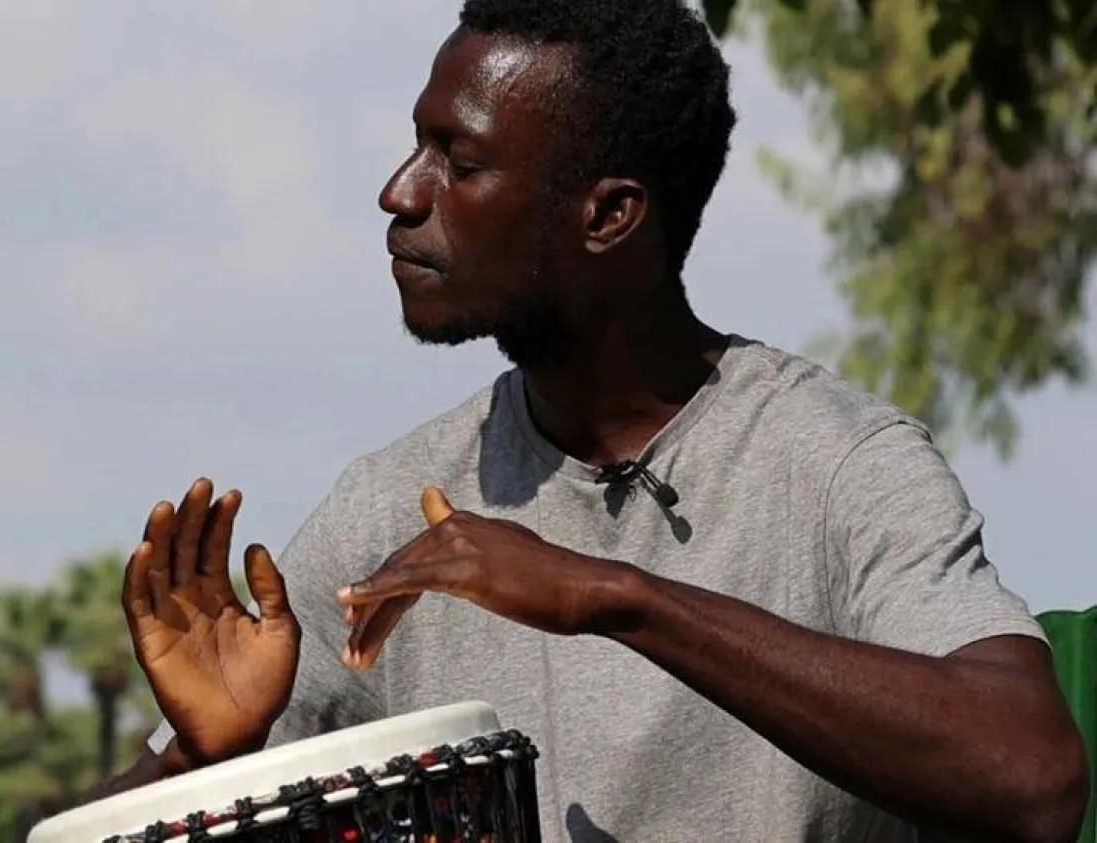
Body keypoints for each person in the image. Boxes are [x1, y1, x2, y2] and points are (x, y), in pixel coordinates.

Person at [84, 0, 1091, 840]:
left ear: (608, 216)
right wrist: (202, 765)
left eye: (459, 162)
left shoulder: (837, 463)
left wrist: (614, 597)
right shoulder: (389, 506)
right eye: (417, 143)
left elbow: (1033, 778)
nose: (400, 193)